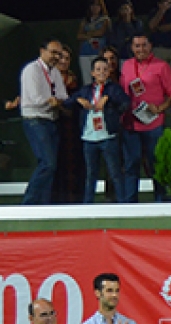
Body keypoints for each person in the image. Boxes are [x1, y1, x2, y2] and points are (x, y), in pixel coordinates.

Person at [64, 55, 130, 204]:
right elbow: (68, 102)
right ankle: (88, 204)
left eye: (105, 69)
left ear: (109, 72)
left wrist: (109, 99)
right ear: (92, 73)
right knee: (90, 174)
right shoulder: (86, 90)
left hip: (108, 136)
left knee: (115, 173)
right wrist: (78, 99)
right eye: (98, 69)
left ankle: (123, 204)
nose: (102, 72)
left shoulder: (114, 88)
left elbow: (126, 103)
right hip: (89, 137)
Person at [119, 35, 171, 203]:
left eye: (144, 45)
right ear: (132, 48)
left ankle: (160, 200)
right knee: (131, 164)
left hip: (153, 123)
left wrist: (160, 108)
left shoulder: (161, 66)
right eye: (137, 46)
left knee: (155, 163)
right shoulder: (126, 65)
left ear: (150, 46)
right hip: (130, 123)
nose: (140, 49)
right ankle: (130, 203)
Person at [20, 38, 66, 206]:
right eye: (53, 52)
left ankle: (43, 205)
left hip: (51, 121)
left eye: (59, 54)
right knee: (48, 163)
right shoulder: (31, 70)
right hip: (35, 120)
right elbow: (35, 98)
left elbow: (63, 96)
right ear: (42, 51)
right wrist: (53, 101)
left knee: (50, 166)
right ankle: (29, 203)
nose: (56, 57)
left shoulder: (55, 72)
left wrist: (57, 101)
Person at [51, 46, 86, 205]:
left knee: (73, 161)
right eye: (61, 58)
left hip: (73, 127)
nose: (64, 61)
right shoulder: (49, 78)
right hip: (54, 124)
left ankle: (75, 199)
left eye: (67, 58)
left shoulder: (75, 79)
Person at [77, 0, 111, 84]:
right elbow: (79, 36)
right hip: (84, 53)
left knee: (101, 79)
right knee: (87, 80)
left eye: (97, 5)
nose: (95, 7)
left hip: (98, 52)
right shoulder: (85, 21)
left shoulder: (105, 19)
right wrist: (91, 35)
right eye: (93, 5)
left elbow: (100, 33)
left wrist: (87, 34)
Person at [147, 0, 171, 71]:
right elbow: (152, 26)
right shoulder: (154, 12)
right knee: (158, 75)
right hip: (159, 49)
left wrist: (159, 28)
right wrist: (162, 11)